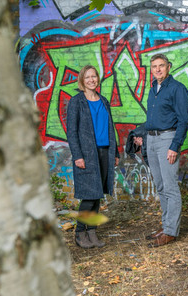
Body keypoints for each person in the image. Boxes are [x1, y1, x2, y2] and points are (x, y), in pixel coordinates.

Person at [133, 53, 188, 247]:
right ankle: (166, 226)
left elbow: (183, 121)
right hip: (152, 140)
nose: (157, 69)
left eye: (161, 66)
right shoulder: (152, 90)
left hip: (168, 140)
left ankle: (171, 232)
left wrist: (175, 146)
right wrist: (143, 134)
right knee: (161, 186)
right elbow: (154, 118)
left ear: (168, 67)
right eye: (154, 66)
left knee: (170, 187)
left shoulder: (177, 89)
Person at [67, 65, 119, 249]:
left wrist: (115, 152)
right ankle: (80, 233)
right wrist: (78, 156)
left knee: (97, 195)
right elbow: (72, 132)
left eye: (94, 76)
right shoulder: (76, 102)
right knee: (89, 196)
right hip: (87, 155)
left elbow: (110, 129)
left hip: (104, 152)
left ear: (98, 79)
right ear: (82, 80)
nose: (91, 80)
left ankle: (92, 232)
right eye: (87, 77)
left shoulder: (104, 101)